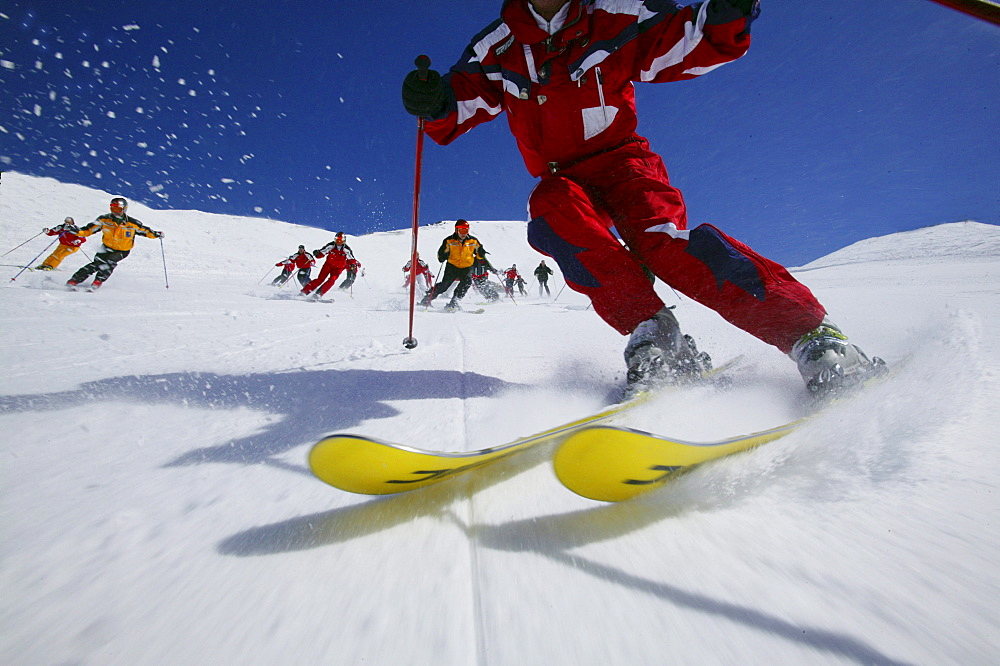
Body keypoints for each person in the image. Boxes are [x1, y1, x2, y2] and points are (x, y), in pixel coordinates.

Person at [401, 0, 884, 396]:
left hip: (623, 162)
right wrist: (436, 102)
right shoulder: (497, 45)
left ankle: (813, 337)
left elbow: (683, 39)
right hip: (562, 177)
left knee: (663, 243)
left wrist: (724, 16)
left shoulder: (613, 13)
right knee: (551, 216)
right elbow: (463, 100)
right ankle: (657, 335)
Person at [66, 197, 163, 290]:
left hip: (122, 250)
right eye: (113, 208)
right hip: (106, 247)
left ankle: (98, 281)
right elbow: (88, 230)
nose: (115, 211)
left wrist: (156, 234)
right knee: (96, 264)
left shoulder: (132, 223)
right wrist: (76, 231)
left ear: (124, 209)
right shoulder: (104, 220)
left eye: (118, 209)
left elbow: (146, 231)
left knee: (109, 263)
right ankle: (74, 280)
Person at [419, 219, 487, 311]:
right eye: (461, 230)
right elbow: (440, 253)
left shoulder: (473, 241)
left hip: (466, 267)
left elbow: (479, 255)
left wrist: (481, 253)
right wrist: (442, 256)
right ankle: (426, 300)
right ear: (456, 230)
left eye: (466, 230)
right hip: (452, 267)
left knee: (466, 283)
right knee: (444, 286)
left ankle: (454, 302)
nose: (464, 233)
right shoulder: (449, 240)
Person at [302, 232, 354, 299]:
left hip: (338, 268)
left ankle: (318, 294)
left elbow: (351, 259)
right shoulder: (331, 245)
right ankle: (304, 292)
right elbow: (322, 253)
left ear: (344, 241)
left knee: (332, 280)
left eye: (340, 240)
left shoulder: (346, 249)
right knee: (320, 279)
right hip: (328, 265)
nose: (338, 242)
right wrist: (317, 253)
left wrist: (353, 265)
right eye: (337, 239)